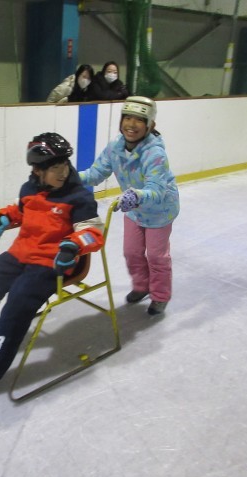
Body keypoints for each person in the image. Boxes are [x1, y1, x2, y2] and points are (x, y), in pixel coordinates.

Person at [0, 133, 105, 391]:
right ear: (37, 171)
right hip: (21, 254)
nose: (62, 172)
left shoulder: (78, 197)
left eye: (64, 165)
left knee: (20, 296)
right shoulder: (29, 189)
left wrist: (73, 246)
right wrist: (4, 219)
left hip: (52, 262)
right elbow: (19, 209)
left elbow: (92, 231)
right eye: (55, 168)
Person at [79, 96, 179, 315]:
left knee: (156, 256)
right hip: (134, 208)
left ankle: (160, 295)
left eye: (139, 120)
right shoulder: (115, 147)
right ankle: (141, 286)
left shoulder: (155, 154)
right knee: (131, 252)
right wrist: (72, 178)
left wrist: (135, 196)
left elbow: (156, 191)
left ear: (150, 125)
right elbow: (97, 172)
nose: (131, 124)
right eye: (127, 118)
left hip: (159, 210)